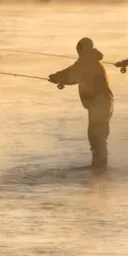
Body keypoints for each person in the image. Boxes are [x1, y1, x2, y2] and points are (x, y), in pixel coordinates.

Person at [48, 38, 114, 168]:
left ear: (84, 49)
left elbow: (71, 74)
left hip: (99, 103)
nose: (78, 53)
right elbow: (74, 76)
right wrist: (59, 77)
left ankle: (100, 169)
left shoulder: (87, 62)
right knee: (96, 136)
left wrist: (57, 77)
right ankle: (99, 167)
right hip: (102, 102)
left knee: (97, 136)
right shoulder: (90, 61)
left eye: (79, 50)